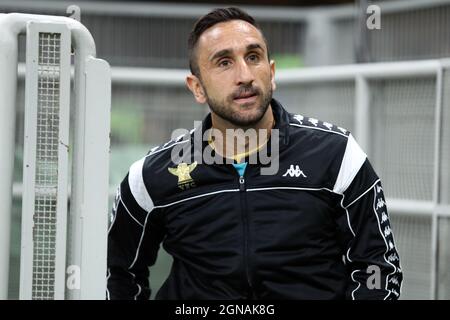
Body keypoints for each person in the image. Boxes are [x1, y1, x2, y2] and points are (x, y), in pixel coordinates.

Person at [107, 7, 402, 300]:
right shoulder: (153, 174)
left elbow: (378, 270)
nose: (244, 75)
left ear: (271, 73)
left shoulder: (336, 155)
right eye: (224, 63)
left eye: (253, 57)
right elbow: (117, 272)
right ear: (197, 88)